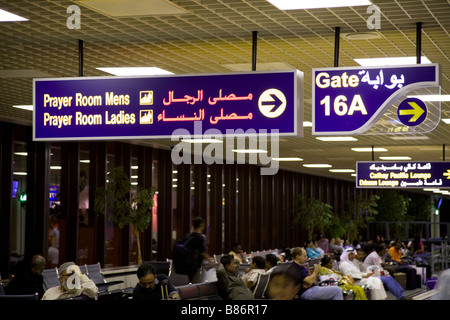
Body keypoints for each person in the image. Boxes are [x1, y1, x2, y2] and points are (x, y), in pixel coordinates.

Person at [184, 216, 215, 283]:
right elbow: (202, 251)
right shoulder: (200, 237)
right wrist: (210, 261)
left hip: (186, 264)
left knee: (189, 282)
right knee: (196, 283)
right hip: (195, 265)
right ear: (201, 224)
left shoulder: (188, 236)